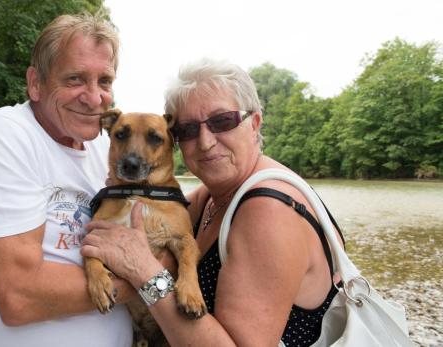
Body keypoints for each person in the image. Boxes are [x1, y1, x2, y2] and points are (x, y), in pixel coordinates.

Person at [81, 58, 345, 347]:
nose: (206, 142)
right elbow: (154, 216)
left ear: (254, 123)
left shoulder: (269, 211)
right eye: (189, 130)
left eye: (223, 121)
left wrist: (145, 273)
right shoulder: (214, 194)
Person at [0, 13, 134, 347]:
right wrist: (147, 277)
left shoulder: (105, 147)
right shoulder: (6, 135)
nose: (94, 98)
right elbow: (20, 295)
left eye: (104, 81)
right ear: (36, 83)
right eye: (75, 79)